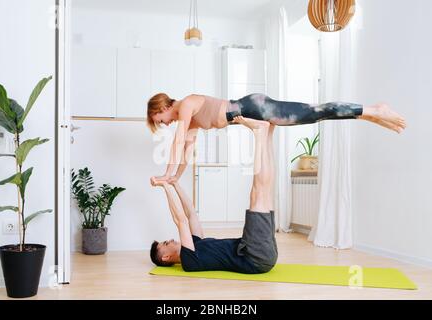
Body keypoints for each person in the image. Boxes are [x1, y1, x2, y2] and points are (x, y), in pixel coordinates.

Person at [147, 93, 407, 184]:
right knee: (315, 115)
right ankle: (370, 113)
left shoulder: (187, 105)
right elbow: (186, 150)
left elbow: (178, 141)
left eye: (161, 121)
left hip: (255, 108)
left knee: (314, 112)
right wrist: (173, 176)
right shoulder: (189, 118)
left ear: (161, 109)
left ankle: (373, 110)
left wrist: (164, 173)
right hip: (254, 111)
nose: (165, 124)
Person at [150, 118, 278, 273]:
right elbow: (180, 220)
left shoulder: (195, 245)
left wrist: (175, 184)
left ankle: (268, 134)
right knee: (258, 194)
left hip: (258, 252)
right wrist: (164, 187)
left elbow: (190, 214)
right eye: (165, 244)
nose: (169, 240)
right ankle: (260, 133)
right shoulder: (189, 261)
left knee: (265, 192)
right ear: (166, 258)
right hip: (255, 257)